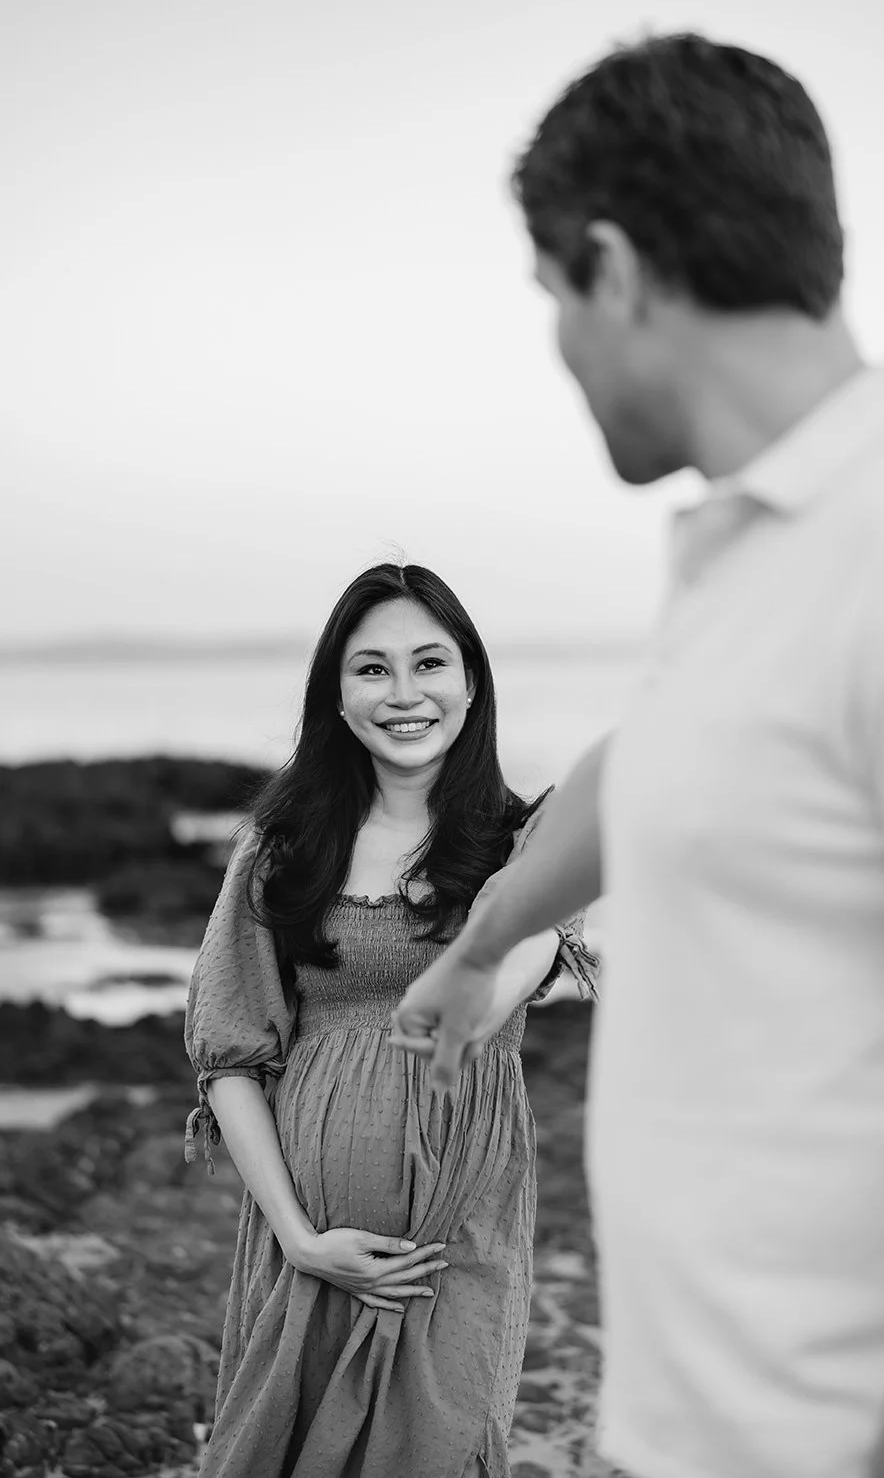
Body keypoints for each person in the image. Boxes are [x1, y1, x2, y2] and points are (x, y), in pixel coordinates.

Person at [390, 32, 884, 1478]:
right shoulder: (763, 546)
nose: (559, 345)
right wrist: (483, 944)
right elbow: (654, 765)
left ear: (613, 267)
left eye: (552, 296)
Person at [183, 562, 597, 1478]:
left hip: (457, 1239)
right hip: (306, 1236)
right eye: (372, 669)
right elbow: (231, 1057)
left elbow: (512, 962)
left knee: (442, 1448)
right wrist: (301, 1241)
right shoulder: (281, 849)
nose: (405, 693)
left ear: (472, 682)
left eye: (430, 663)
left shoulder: (528, 840)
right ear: (336, 696)